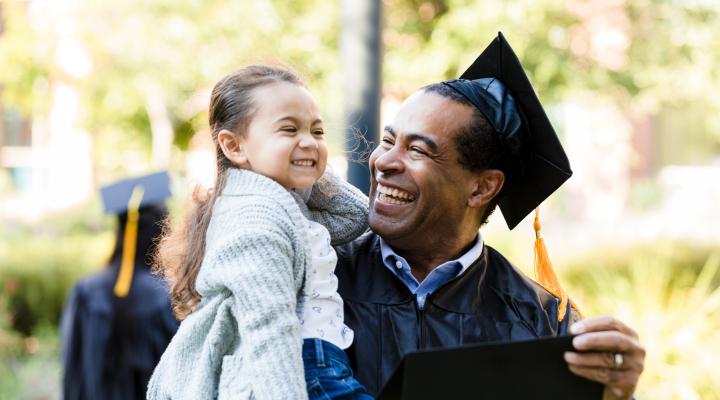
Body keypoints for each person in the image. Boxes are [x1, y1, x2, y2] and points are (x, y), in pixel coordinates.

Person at [336, 33, 645, 399]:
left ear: (482, 188)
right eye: (388, 141)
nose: (383, 161)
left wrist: (615, 395)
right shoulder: (322, 275)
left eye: (417, 150)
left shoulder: (539, 320)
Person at [147, 65, 371, 400]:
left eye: (318, 131)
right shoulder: (256, 218)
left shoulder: (284, 202)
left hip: (321, 366)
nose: (309, 141)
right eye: (289, 129)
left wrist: (306, 164)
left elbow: (357, 217)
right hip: (302, 370)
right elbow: (271, 332)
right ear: (234, 146)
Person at [60, 171, 180, 400]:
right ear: (159, 235)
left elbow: (72, 373)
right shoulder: (166, 296)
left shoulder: (86, 293)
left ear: (120, 232)